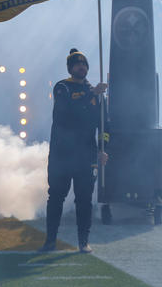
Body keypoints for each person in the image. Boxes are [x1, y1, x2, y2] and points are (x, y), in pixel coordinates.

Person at [39, 49, 108, 254]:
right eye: (78, 64)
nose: (82, 67)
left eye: (84, 64)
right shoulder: (63, 88)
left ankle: (83, 242)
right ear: (70, 68)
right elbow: (64, 113)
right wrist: (91, 94)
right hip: (62, 154)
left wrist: (103, 149)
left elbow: (104, 126)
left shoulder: (96, 93)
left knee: (84, 200)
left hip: (86, 155)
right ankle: (50, 241)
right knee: (56, 197)